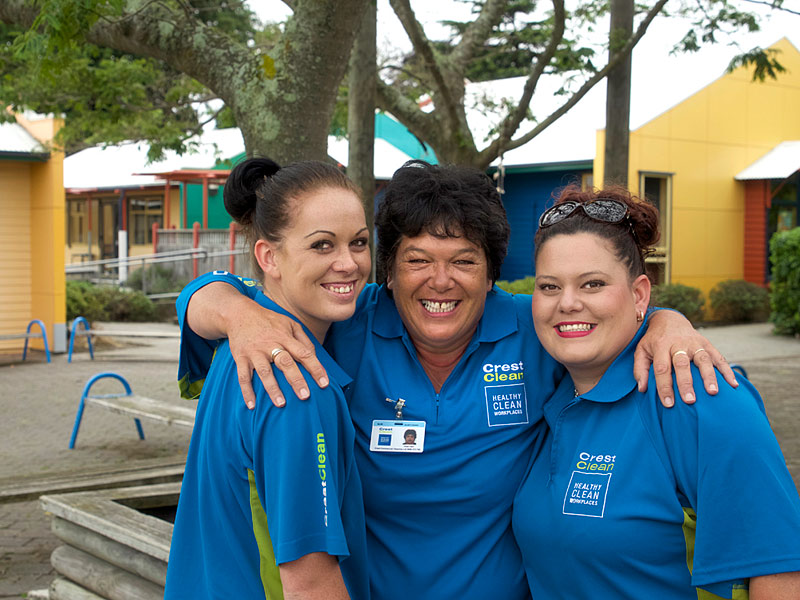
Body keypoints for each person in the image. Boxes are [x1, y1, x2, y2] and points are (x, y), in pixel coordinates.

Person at [176, 161, 733, 599]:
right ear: (390, 271)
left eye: (464, 261)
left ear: (493, 273)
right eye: (417, 259)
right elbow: (213, 298)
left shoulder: (534, 329)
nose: (439, 282)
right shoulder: (336, 335)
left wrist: (664, 320)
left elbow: (607, 323)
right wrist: (233, 311)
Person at [512, 186, 800, 599]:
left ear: (639, 294)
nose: (568, 303)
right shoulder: (550, 394)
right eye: (550, 286)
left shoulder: (701, 397)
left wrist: (667, 320)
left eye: (593, 284)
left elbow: (781, 570)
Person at [164, 158, 370, 599]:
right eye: (321, 246)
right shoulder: (294, 384)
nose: (348, 263)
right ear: (269, 256)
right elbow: (309, 583)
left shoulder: (237, 344)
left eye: (359, 242)